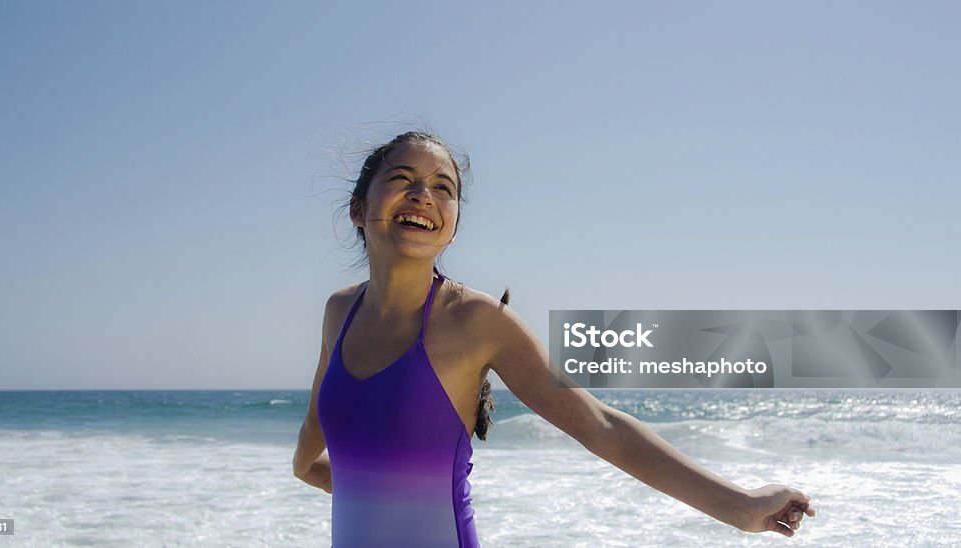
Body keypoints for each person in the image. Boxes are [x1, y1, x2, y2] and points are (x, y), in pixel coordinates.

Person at [292, 131, 815, 547]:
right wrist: (370, 486)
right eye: (402, 178)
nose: (423, 194)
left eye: (443, 187)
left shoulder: (476, 320)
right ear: (359, 209)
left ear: (451, 226)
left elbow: (602, 426)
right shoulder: (340, 311)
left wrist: (741, 506)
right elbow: (311, 452)